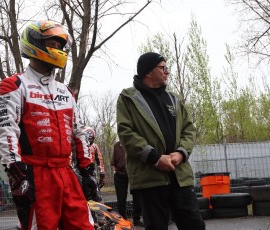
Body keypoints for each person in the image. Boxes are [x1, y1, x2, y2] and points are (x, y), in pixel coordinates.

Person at [0, 20, 94, 230]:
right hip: (35, 173)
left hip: (66, 171)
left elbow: (78, 131)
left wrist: (87, 170)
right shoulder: (14, 85)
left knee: (84, 225)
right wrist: (16, 170)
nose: (59, 50)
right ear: (34, 44)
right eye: (53, 45)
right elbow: (6, 129)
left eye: (60, 46)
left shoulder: (65, 91)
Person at [116, 52, 206, 230]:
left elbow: (189, 130)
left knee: (194, 225)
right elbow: (126, 133)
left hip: (180, 175)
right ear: (148, 71)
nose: (168, 72)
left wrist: (181, 153)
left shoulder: (174, 99)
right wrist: (155, 158)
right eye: (163, 68)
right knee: (156, 226)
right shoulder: (128, 98)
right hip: (150, 178)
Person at [111, 140, 144, 227]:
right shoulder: (116, 146)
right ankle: (123, 220)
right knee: (121, 199)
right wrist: (115, 171)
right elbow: (113, 162)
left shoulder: (134, 143)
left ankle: (137, 219)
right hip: (120, 175)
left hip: (134, 174)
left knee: (137, 197)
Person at [79, 126, 106, 202]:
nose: (90, 141)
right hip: (80, 173)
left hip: (91, 173)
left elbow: (99, 160)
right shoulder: (78, 146)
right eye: (88, 139)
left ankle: (99, 210)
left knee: (97, 195)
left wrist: (102, 174)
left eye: (92, 139)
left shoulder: (94, 146)